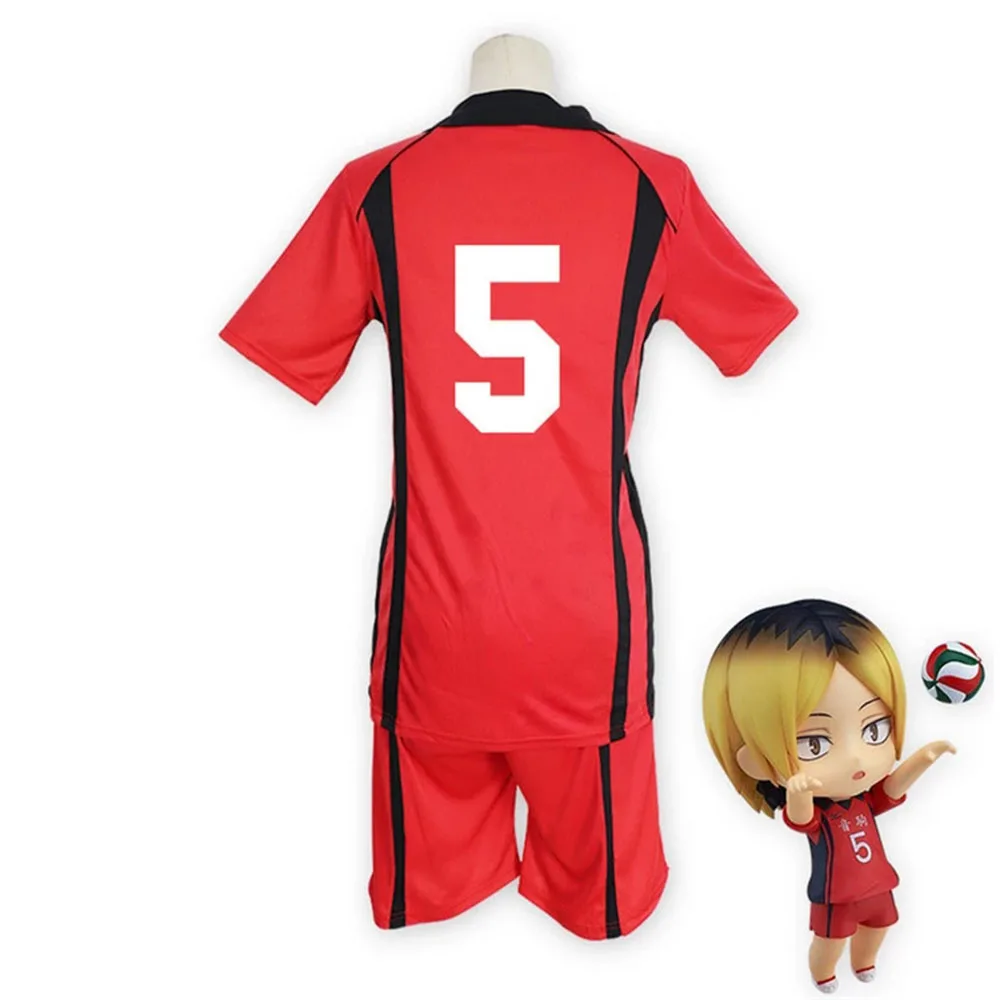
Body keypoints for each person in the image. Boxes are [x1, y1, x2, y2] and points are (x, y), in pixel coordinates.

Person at [702, 599, 956, 992]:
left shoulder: (862, 801)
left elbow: (890, 789)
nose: (855, 757)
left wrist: (923, 758)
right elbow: (802, 820)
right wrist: (798, 792)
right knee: (830, 941)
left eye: (874, 729)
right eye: (814, 744)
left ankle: (864, 963)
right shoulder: (821, 811)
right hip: (836, 895)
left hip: (879, 884)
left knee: (881, 926)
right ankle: (823, 973)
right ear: (753, 759)